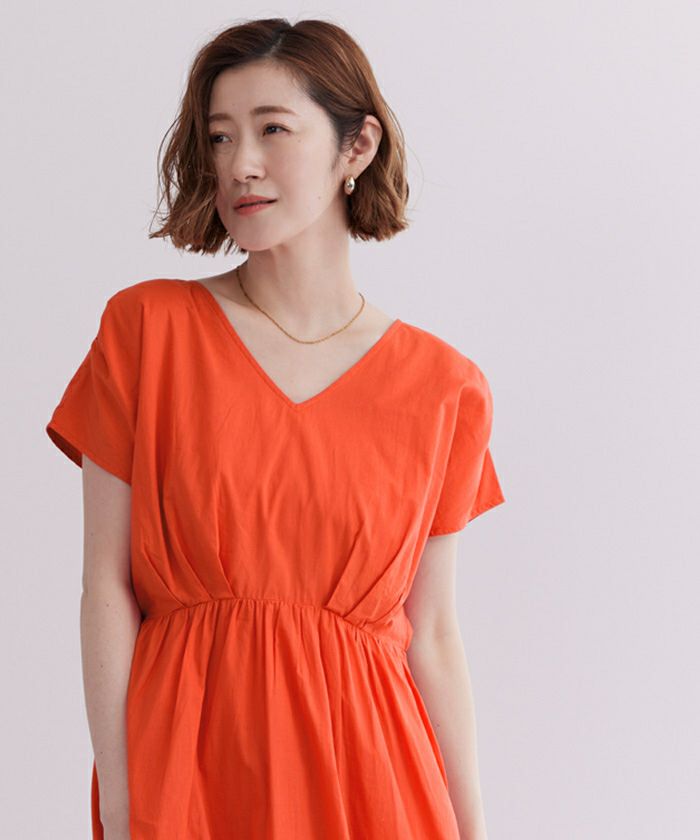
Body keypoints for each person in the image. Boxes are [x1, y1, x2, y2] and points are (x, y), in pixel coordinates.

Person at [46, 17, 505, 840]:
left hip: (377, 786)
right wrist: (121, 798)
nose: (239, 165)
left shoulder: (444, 387)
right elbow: (105, 587)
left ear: (356, 147)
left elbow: (433, 635)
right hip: (187, 775)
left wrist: (473, 830)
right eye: (220, 137)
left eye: (273, 130)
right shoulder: (147, 332)